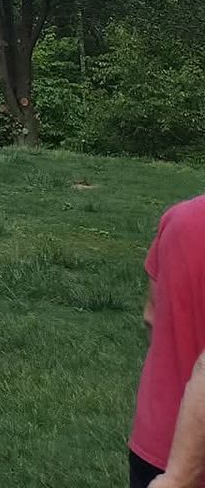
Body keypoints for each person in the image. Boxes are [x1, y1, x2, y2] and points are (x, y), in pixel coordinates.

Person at [133, 194, 205, 488]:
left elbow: (152, 315)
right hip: (184, 468)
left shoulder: (179, 218)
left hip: (155, 442)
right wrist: (177, 478)